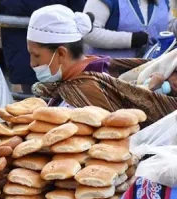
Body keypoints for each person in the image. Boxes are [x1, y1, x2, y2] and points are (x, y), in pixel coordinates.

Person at [29, 5, 177, 126]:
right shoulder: (87, 72)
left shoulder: (86, 91)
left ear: (61, 53)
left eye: (36, 55)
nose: (32, 63)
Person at [0, 0, 86, 94]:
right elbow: (80, 9)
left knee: (31, 100)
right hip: (62, 52)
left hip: (20, 49)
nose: (33, 63)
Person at [84, 0, 173, 58]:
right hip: (108, 71)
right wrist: (131, 39)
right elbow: (88, 33)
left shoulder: (163, 1)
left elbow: (169, 27)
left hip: (150, 72)